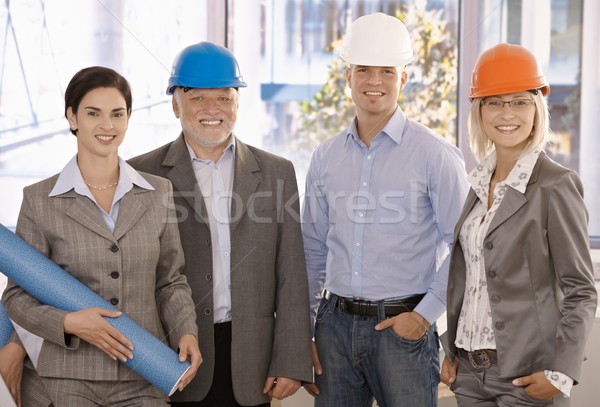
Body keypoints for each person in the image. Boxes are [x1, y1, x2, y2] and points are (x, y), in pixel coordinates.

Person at [2, 66, 201, 406]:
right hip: (66, 378)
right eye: (93, 113)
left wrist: (187, 330)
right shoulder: (38, 199)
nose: (107, 125)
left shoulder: (158, 193)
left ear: (127, 119)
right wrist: (69, 321)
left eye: (117, 114)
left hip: (145, 371)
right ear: (72, 117)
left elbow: (170, 280)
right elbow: (17, 298)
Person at [128, 42, 313, 407]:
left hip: (252, 357)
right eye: (197, 98)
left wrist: (291, 360)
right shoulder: (141, 174)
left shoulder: (277, 172)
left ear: (237, 103)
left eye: (224, 98)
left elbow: (292, 273)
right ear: (175, 104)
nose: (212, 110)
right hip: (173, 354)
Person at [301, 12, 469, 407]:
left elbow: (464, 247)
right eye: (363, 70)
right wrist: (306, 332)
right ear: (348, 77)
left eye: (386, 72)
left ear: (403, 79)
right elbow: (311, 249)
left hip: (403, 330)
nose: (373, 82)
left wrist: (424, 316)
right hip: (334, 330)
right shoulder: (325, 157)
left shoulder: (435, 155)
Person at [439, 43, 598, 407]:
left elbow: (580, 289)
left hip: (527, 377)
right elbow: (473, 277)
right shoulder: (478, 183)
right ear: (479, 111)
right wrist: (451, 347)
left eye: (519, 101)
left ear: (536, 108)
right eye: (494, 102)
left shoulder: (556, 184)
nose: (506, 113)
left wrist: (561, 372)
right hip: (467, 371)